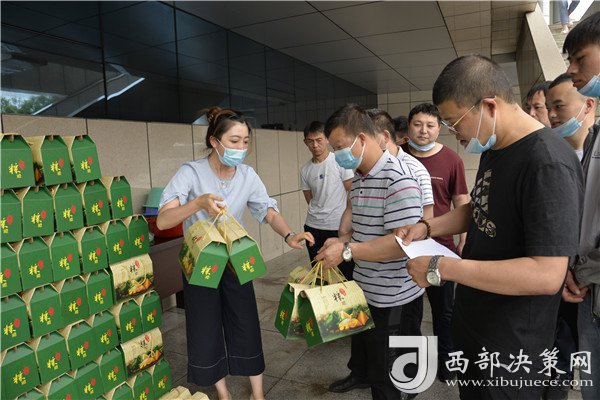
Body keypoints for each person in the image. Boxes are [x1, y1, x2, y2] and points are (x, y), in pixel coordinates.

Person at [399, 55, 584, 400]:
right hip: (477, 323)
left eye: (454, 122)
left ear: (489, 106)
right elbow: (480, 207)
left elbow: (547, 275)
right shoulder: (496, 146)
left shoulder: (547, 163)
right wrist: (427, 226)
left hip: (511, 344)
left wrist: (441, 267)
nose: (453, 133)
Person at [156, 107, 314, 400]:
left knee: (245, 322)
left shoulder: (247, 175)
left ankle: (257, 392)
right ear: (214, 142)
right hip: (201, 262)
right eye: (234, 141)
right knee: (205, 325)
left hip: (235, 260)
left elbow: (267, 211)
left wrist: (289, 234)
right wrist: (198, 203)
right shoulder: (190, 172)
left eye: (245, 141)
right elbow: (164, 220)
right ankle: (222, 392)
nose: (241, 148)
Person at [316, 104, 424, 400]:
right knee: (375, 369)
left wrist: (346, 250)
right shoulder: (361, 177)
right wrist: (340, 241)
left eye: (340, 147)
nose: (338, 155)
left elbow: (400, 245)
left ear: (362, 138)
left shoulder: (398, 179)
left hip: (394, 297)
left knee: (389, 378)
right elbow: (363, 229)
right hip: (367, 290)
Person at [402, 102, 469, 381]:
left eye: (430, 125)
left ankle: (446, 362)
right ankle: (410, 366)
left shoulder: (451, 160)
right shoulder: (397, 155)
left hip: (440, 248)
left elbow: (461, 200)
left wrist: (464, 238)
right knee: (408, 312)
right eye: (418, 124)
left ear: (439, 129)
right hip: (403, 247)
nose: (424, 131)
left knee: (444, 312)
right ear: (409, 126)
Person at [544, 72, 596, 400]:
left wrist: (583, 273)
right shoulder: (551, 157)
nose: (551, 115)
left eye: (558, 106)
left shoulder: (594, 157)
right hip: (561, 281)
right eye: (547, 107)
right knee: (559, 359)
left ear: (588, 105)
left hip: (590, 284)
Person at [563, 12, 600, 399]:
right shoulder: (596, 136)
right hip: (590, 294)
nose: (572, 69)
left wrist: (583, 271)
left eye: (580, 58)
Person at [300, 121, 354, 279]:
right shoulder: (305, 169)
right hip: (313, 227)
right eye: (310, 141)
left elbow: (352, 193)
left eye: (319, 140)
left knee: (346, 271)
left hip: (338, 227)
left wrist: (348, 223)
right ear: (305, 142)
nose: (315, 145)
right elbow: (309, 198)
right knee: (319, 272)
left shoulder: (339, 161)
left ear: (327, 139)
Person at [368, 108, 434, 220]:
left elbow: (427, 218)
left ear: (385, 137)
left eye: (366, 139)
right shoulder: (368, 168)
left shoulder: (415, 170)